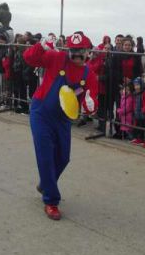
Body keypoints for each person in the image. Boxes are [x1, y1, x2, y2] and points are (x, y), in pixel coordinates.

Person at [23, 32, 98, 220]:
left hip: (63, 119)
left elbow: (92, 104)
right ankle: (51, 200)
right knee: (45, 154)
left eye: (81, 51)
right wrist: (41, 47)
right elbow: (29, 59)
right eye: (73, 51)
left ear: (88, 52)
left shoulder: (90, 75)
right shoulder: (57, 58)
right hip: (41, 113)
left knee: (63, 157)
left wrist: (90, 106)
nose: (77, 55)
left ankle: (46, 184)